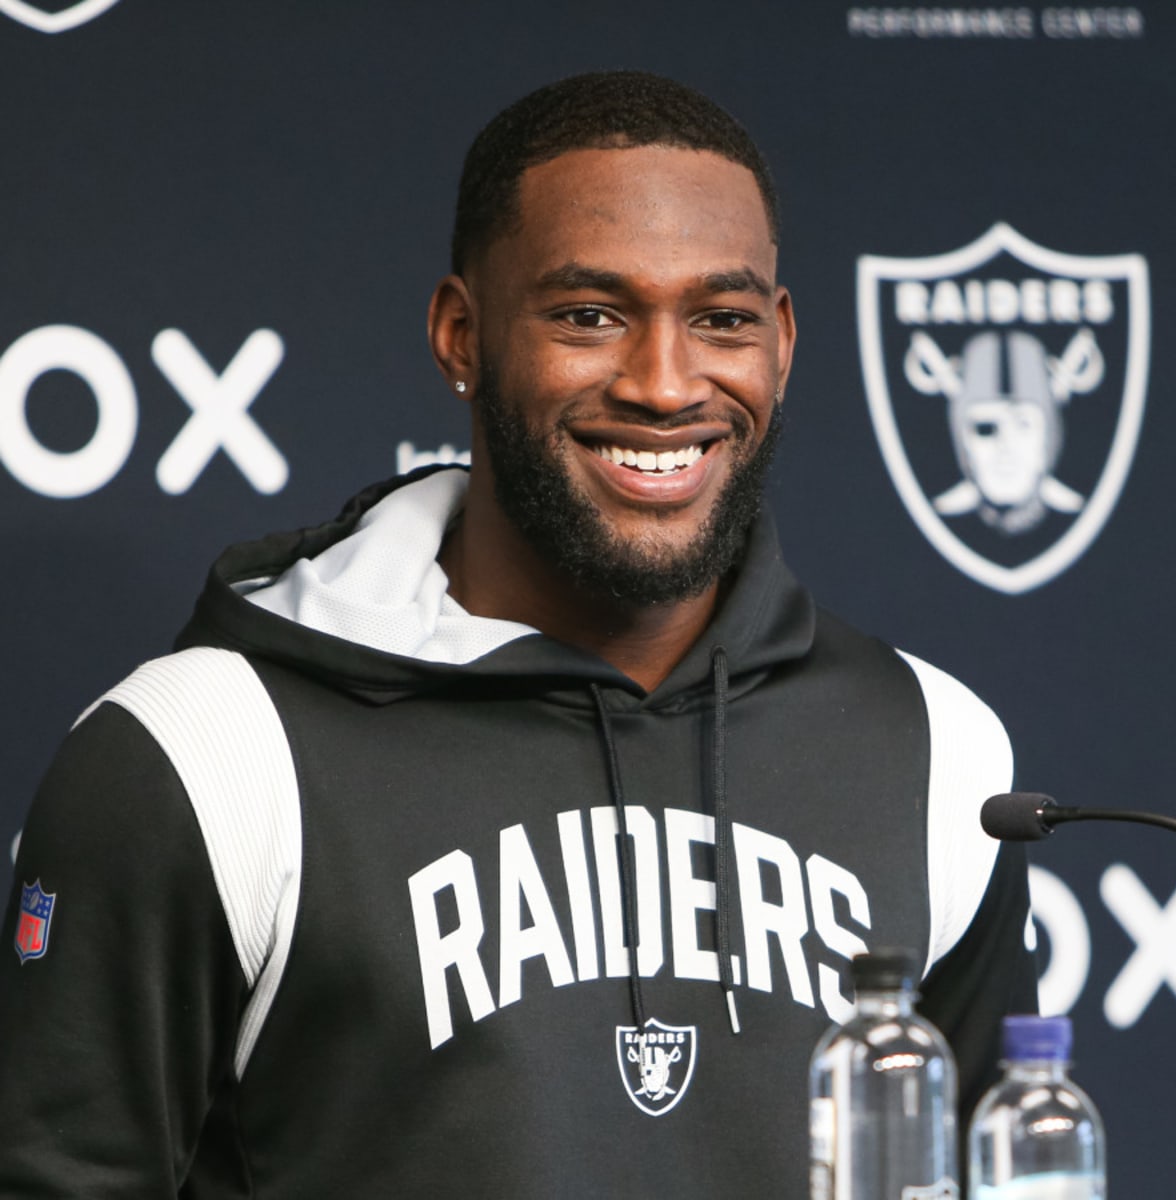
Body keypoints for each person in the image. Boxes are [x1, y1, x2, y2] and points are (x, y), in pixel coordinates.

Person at [0, 71, 1037, 1196]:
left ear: (779, 347)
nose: (663, 382)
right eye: (591, 316)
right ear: (462, 335)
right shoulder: (202, 750)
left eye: (721, 319)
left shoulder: (938, 750)